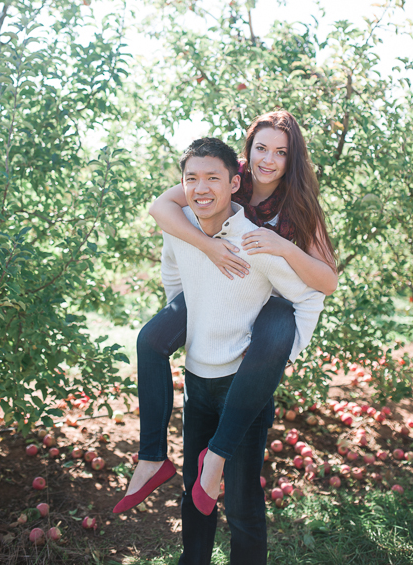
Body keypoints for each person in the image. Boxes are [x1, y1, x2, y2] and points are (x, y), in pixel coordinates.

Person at [114, 111, 337, 514]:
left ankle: (215, 459)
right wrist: (207, 245)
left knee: (274, 328)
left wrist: (285, 246)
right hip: (210, 288)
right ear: (247, 152)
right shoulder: (222, 178)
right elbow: (162, 207)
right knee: (148, 340)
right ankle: (151, 457)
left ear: (292, 160)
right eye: (261, 148)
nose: (267, 160)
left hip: (270, 300)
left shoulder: (299, 204)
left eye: (280, 153)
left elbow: (327, 281)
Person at [160, 137, 325, 563]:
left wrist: (281, 355)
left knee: (243, 504)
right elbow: (170, 249)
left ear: (234, 183)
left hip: (245, 380)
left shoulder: (266, 232)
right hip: (198, 382)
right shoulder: (190, 221)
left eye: (281, 152)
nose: (201, 188)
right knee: (194, 495)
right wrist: (182, 317)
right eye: (192, 179)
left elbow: (315, 291)